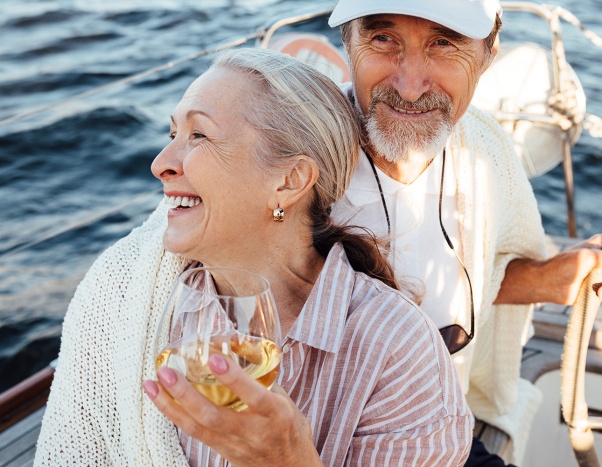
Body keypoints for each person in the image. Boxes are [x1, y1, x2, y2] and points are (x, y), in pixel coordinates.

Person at [34, 48, 472, 466]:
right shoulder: (125, 297)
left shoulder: (398, 352)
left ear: (290, 181)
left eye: (199, 135)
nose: (161, 163)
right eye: (173, 135)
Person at [326, 0, 602, 464]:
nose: (410, 87)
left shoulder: (486, 149)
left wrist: (554, 278)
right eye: (382, 39)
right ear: (347, 43)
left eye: (444, 43)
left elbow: (478, 278)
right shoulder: (295, 153)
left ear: (488, 55)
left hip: (442, 426)